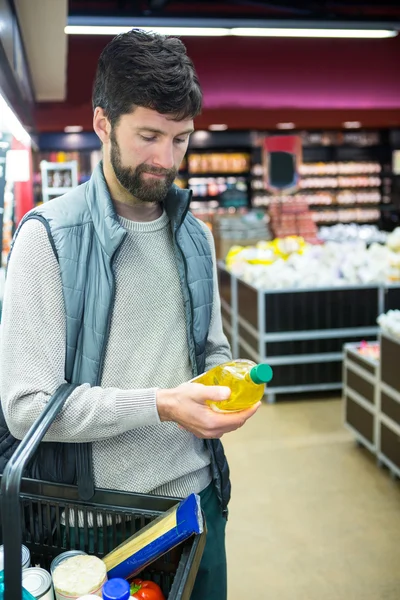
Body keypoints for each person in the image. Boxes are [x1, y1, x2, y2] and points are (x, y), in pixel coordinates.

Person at [0, 29, 260, 599]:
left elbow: (209, 349)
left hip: (196, 505)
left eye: (181, 139)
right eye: (148, 136)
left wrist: (224, 384)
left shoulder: (194, 236)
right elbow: (25, 408)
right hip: (94, 525)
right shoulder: (48, 240)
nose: (166, 160)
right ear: (102, 123)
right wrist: (162, 405)